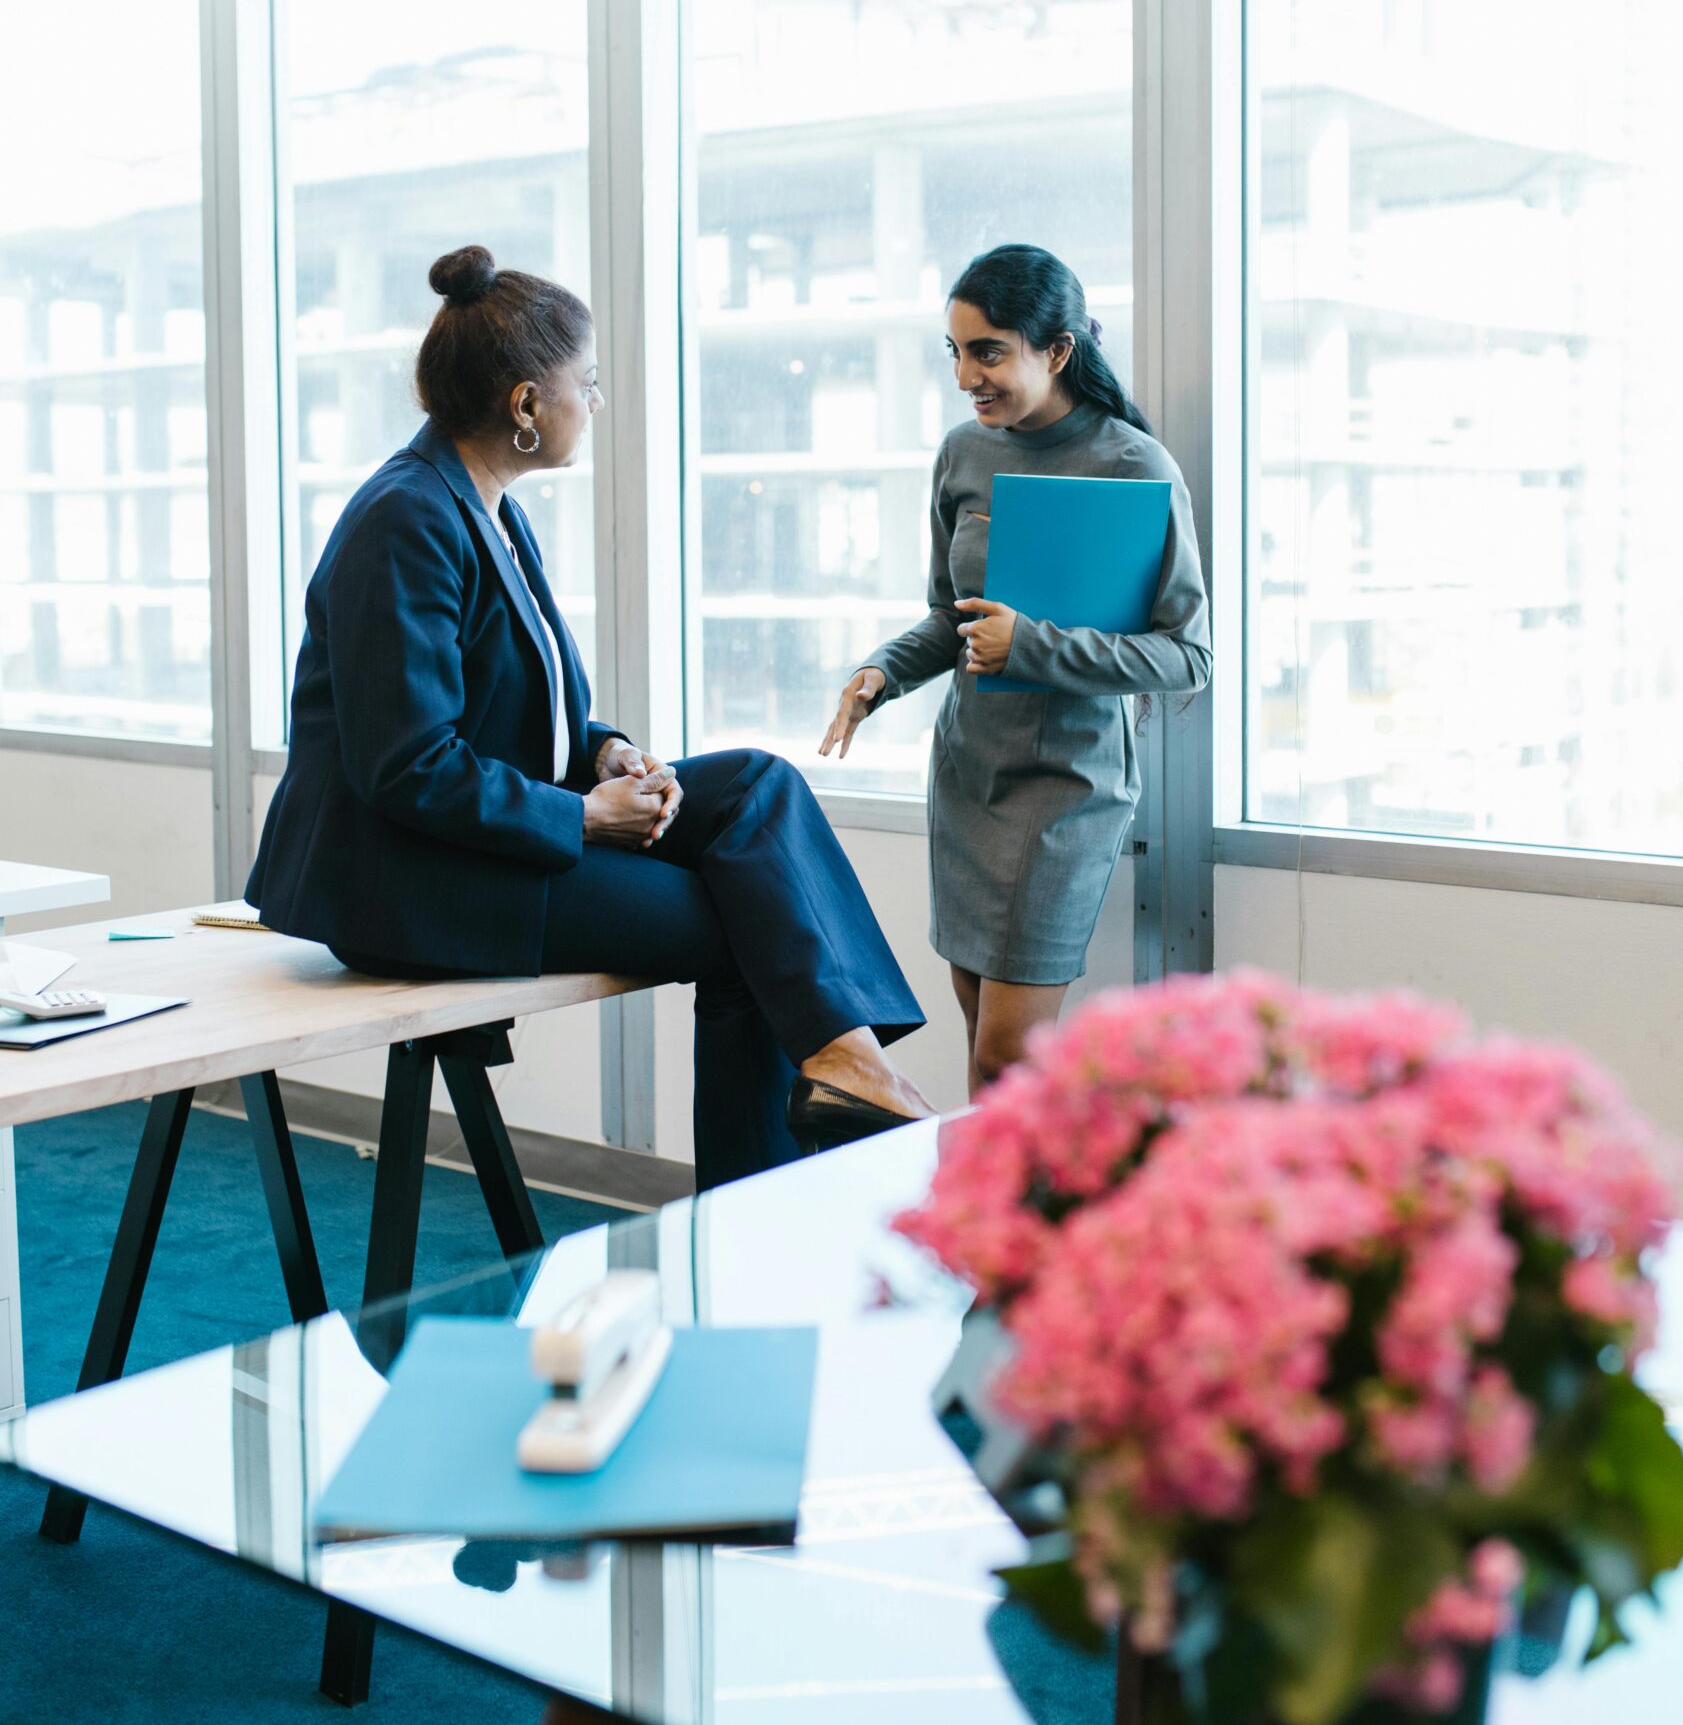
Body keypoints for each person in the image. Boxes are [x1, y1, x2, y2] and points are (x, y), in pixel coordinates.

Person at [248, 244, 930, 1186]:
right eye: (589, 383)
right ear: (526, 405)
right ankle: (761, 1201)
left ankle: (849, 1060)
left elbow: (520, 702)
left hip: (473, 841)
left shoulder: (486, 503)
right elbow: (405, 766)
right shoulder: (404, 520)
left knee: (758, 785)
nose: (597, 404)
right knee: (745, 927)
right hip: (402, 880)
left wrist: (602, 751)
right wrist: (579, 816)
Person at [820, 244, 1210, 1096]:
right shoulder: (965, 453)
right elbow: (948, 617)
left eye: (988, 351)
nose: (966, 376)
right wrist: (881, 675)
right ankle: (985, 1221)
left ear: (1058, 350)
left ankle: (1016, 1224)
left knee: (1009, 1060)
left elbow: (1185, 657)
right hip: (969, 778)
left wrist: (1030, 645)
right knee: (978, 1042)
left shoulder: (1133, 466)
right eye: (954, 352)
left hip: (1067, 790)